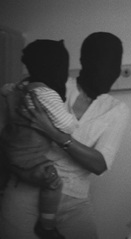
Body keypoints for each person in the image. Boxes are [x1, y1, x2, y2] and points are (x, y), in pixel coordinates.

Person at [0, 32, 129, 239]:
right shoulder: (50, 84)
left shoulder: (116, 109)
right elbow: (11, 132)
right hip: (28, 184)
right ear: (83, 61)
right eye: (101, 62)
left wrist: (54, 133)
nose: (109, 72)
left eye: (115, 65)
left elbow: (100, 164)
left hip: (75, 199)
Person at [0, 39, 77, 239]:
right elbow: (67, 125)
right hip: (30, 161)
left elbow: (5, 97)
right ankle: (47, 225)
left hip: (9, 155)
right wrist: (71, 118)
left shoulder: (18, 88)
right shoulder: (45, 94)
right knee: (53, 182)